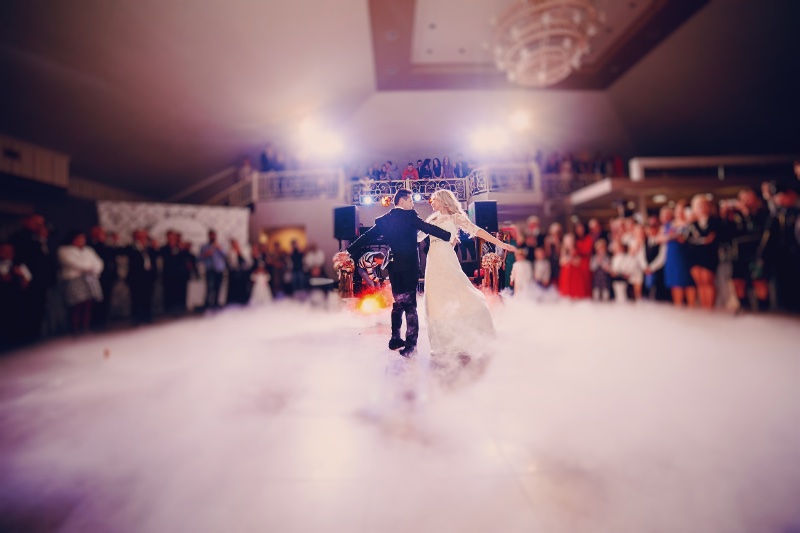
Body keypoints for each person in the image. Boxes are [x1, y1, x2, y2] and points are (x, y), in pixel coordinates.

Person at [334, 189, 453, 357]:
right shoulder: (410, 216)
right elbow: (428, 228)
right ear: (403, 201)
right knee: (410, 307)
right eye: (410, 200)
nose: (412, 203)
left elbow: (366, 237)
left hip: (394, 268)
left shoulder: (385, 220)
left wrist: (348, 251)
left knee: (397, 305)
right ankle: (410, 345)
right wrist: (449, 235)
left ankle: (395, 338)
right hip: (409, 267)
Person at [420, 189, 515, 358]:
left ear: (442, 200)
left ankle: (471, 333)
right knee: (435, 299)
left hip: (447, 259)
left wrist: (501, 244)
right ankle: (443, 341)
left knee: (459, 292)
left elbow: (478, 231)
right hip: (432, 262)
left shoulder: (455, 217)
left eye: (433, 200)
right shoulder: (432, 219)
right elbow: (418, 237)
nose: (431, 203)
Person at [58, 231, 104, 334]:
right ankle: (75, 329)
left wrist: (94, 269)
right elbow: (74, 263)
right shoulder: (64, 250)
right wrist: (89, 267)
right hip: (74, 279)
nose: (81, 241)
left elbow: (98, 262)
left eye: (83, 239)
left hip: (90, 278)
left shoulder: (88, 250)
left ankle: (85, 327)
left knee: (88, 303)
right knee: (77, 304)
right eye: (78, 239)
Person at [199, 230, 227, 310]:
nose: (213, 237)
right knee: (209, 287)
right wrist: (206, 254)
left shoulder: (219, 245)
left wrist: (219, 248)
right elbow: (200, 258)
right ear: (208, 236)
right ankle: (207, 303)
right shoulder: (204, 246)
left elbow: (225, 255)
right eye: (211, 235)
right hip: (210, 269)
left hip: (219, 269)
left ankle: (216, 303)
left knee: (218, 287)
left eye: (214, 235)